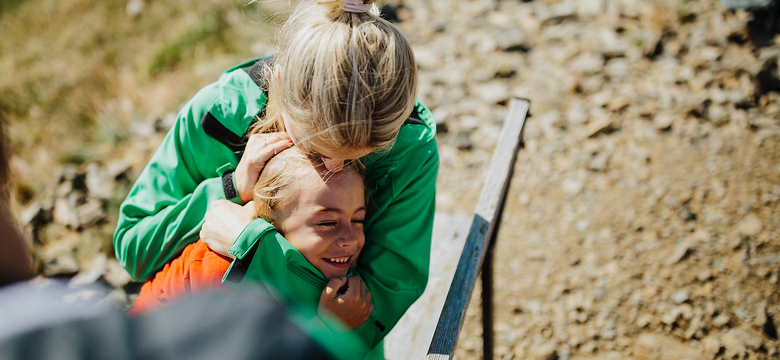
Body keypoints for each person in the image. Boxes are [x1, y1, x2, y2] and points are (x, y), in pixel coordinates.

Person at [113, 0, 438, 357]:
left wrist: (253, 249)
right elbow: (135, 249)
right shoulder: (219, 116)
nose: (335, 166)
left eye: (362, 156)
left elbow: (376, 304)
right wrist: (230, 188)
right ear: (280, 82)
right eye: (315, 147)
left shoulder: (409, 146)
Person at [129, 147, 374, 335]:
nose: (349, 239)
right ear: (270, 222)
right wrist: (326, 327)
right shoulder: (222, 271)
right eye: (327, 223)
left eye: (358, 220)